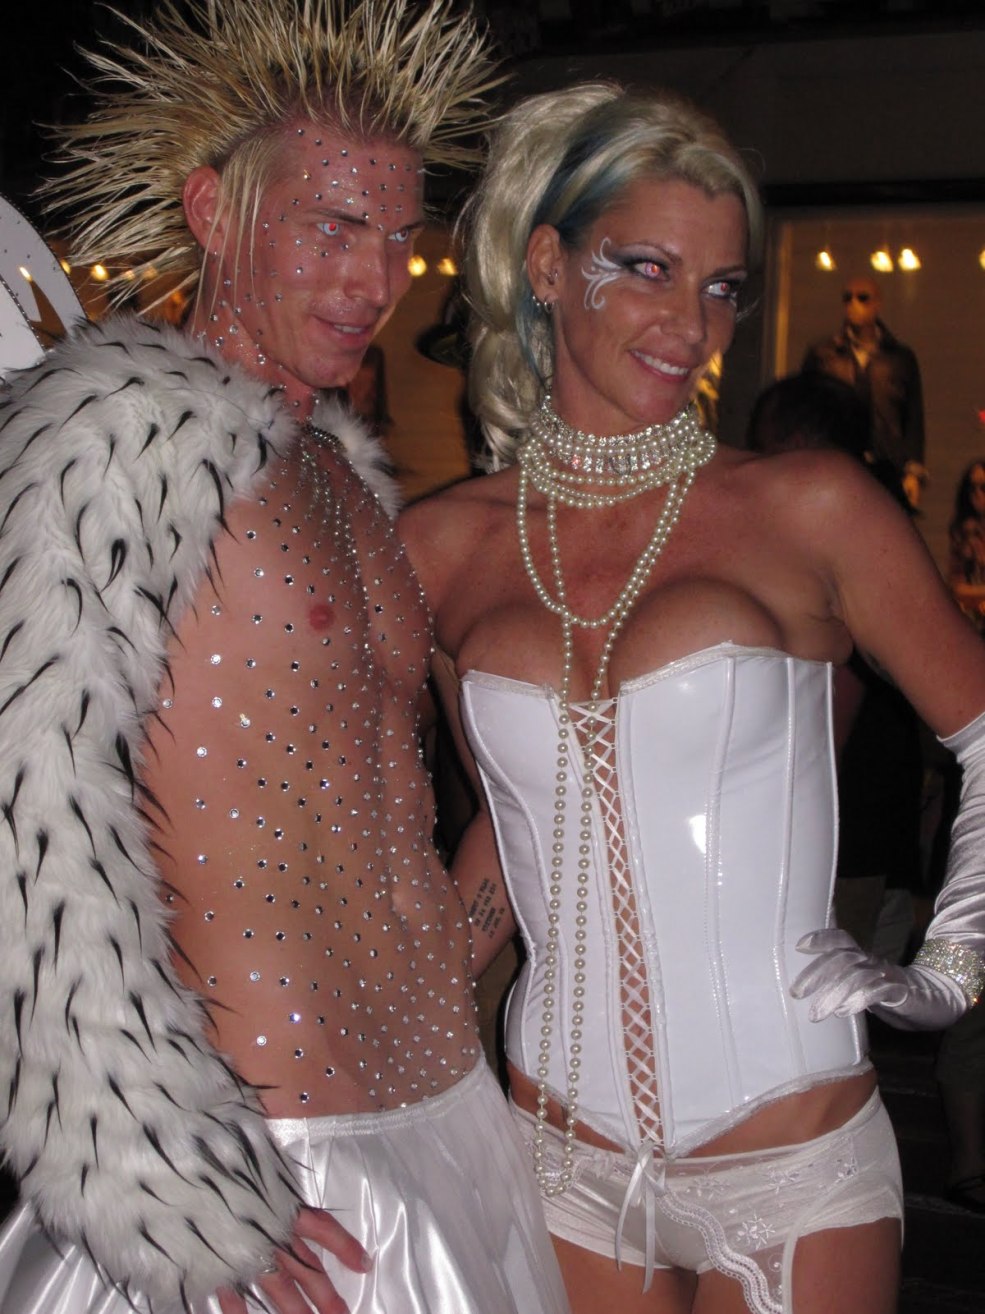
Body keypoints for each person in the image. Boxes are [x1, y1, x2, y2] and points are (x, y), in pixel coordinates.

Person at [0, 3, 571, 1313]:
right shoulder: (112, 436)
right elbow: (24, 821)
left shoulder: (339, 473)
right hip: (266, 1169)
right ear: (214, 210)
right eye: (332, 228)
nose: (376, 281)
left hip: (446, 1125)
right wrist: (172, 1183)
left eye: (399, 238)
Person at [399, 82, 985, 1314]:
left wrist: (950, 963)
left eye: (722, 287)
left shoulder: (807, 507)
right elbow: (509, 834)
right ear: (547, 266)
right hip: (550, 1155)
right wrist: (376, 1040)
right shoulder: (442, 547)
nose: (693, 324)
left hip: (789, 1161)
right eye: (649, 270)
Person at [801, 275, 926, 509]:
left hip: (888, 465)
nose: (853, 304)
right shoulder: (823, 354)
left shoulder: (900, 358)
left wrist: (913, 472)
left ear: (877, 304)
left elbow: (913, 416)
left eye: (863, 298)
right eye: (847, 298)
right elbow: (805, 411)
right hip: (837, 462)